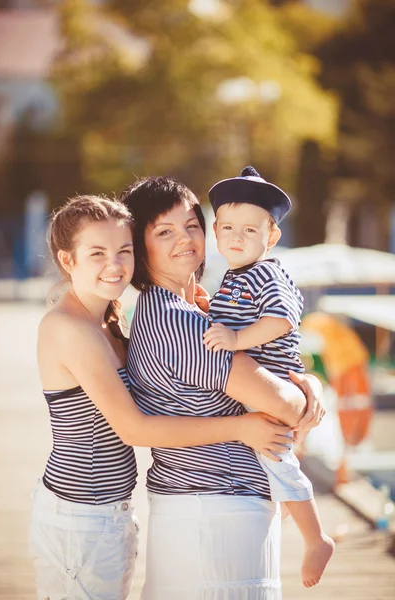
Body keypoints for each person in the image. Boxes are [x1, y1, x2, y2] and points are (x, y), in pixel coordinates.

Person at [31, 194, 300, 600]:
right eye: (97, 253)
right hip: (78, 516)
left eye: (124, 251)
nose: (115, 265)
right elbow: (134, 429)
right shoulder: (68, 327)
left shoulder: (109, 318)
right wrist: (243, 427)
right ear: (68, 260)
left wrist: (304, 384)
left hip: (112, 511)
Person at [119, 176, 325, 600]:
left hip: (214, 510)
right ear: (140, 248)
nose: (186, 239)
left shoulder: (194, 309)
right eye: (164, 231)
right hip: (215, 511)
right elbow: (283, 405)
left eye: (192, 224)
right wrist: (309, 391)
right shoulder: (179, 321)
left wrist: (310, 385)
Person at [203, 165, 335, 588]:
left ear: (271, 236)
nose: (236, 238)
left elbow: (279, 321)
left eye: (249, 230)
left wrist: (237, 338)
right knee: (272, 464)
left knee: (280, 463)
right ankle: (282, 515)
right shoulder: (231, 277)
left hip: (272, 383)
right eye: (226, 228)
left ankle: (316, 539)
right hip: (258, 388)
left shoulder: (267, 273)